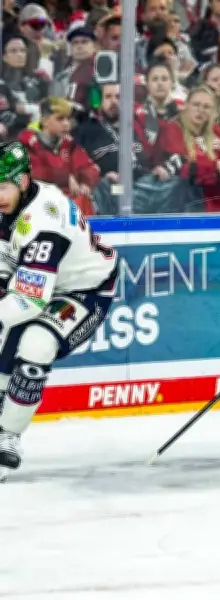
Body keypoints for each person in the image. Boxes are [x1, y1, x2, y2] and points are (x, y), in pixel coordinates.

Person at [0, 142, 118, 479]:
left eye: (4, 186)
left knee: (36, 344)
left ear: (23, 182)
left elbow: (28, 301)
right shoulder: (13, 206)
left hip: (84, 291)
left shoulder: (44, 221)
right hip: (36, 282)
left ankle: (8, 436)